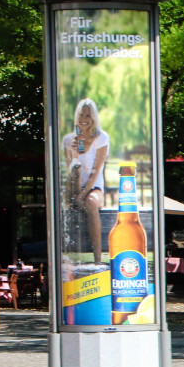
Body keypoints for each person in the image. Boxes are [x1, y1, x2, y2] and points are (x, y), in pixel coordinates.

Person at [62, 98, 109, 265]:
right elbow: (71, 171)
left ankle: (98, 257)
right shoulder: (69, 139)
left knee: (90, 201)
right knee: (63, 203)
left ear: (94, 118)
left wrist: (82, 195)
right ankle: (65, 254)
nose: (84, 119)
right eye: (82, 114)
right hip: (74, 185)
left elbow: (96, 172)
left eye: (88, 115)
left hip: (94, 187)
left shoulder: (102, 138)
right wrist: (74, 154)